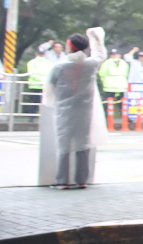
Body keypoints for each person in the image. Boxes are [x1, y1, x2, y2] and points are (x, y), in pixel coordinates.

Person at [39, 28, 108, 188]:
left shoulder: (59, 66)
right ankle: (82, 180)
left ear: (69, 46)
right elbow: (100, 54)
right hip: (85, 110)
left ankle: (62, 181)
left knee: (63, 144)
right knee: (83, 144)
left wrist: (51, 102)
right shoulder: (91, 64)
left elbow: (49, 88)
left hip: (64, 110)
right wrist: (94, 37)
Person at [99, 46, 131, 130]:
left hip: (121, 87)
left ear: (119, 55)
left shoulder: (124, 63)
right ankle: (106, 122)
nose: (114, 56)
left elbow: (126, 74)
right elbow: (102, 74)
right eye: (113, 55)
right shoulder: (106, 63)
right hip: (109, 87)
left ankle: (126, 122)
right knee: (107, 106)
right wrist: (105, 82)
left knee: (123, 106)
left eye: (116, 54)